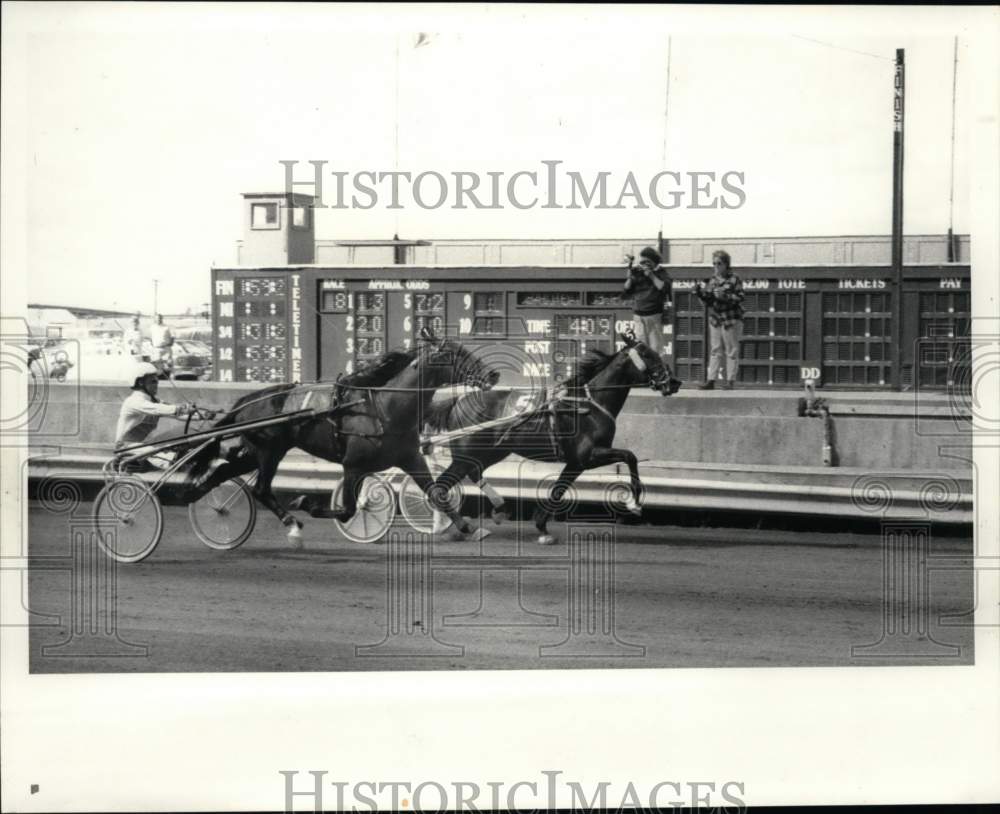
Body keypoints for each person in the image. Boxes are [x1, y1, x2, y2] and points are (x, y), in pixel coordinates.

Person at [694, 249, 745, 390]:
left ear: (726, 264)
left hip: (731, 318)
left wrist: (725, 296)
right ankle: (711, 380)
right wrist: (700, 294)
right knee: (715, 350)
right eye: (714, 263)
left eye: (719, 263)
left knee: (731, 350)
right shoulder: (712, 281)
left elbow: (741, 297)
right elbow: (707, 303)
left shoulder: (734, 279)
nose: (716, 266)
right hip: (716, 318)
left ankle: (730, 381)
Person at [622, 246, 671, 355]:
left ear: (653, 262)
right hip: (639, 316)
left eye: (647, 262)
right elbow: (627, 289)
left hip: (653, 316)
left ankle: (656, 371)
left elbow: (664, 288)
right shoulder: (638, 272)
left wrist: (651, 275)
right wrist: (630, 276)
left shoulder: (660, 273)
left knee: (655, 349)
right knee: (641, 349)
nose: (643, 264)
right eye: (642, 261)